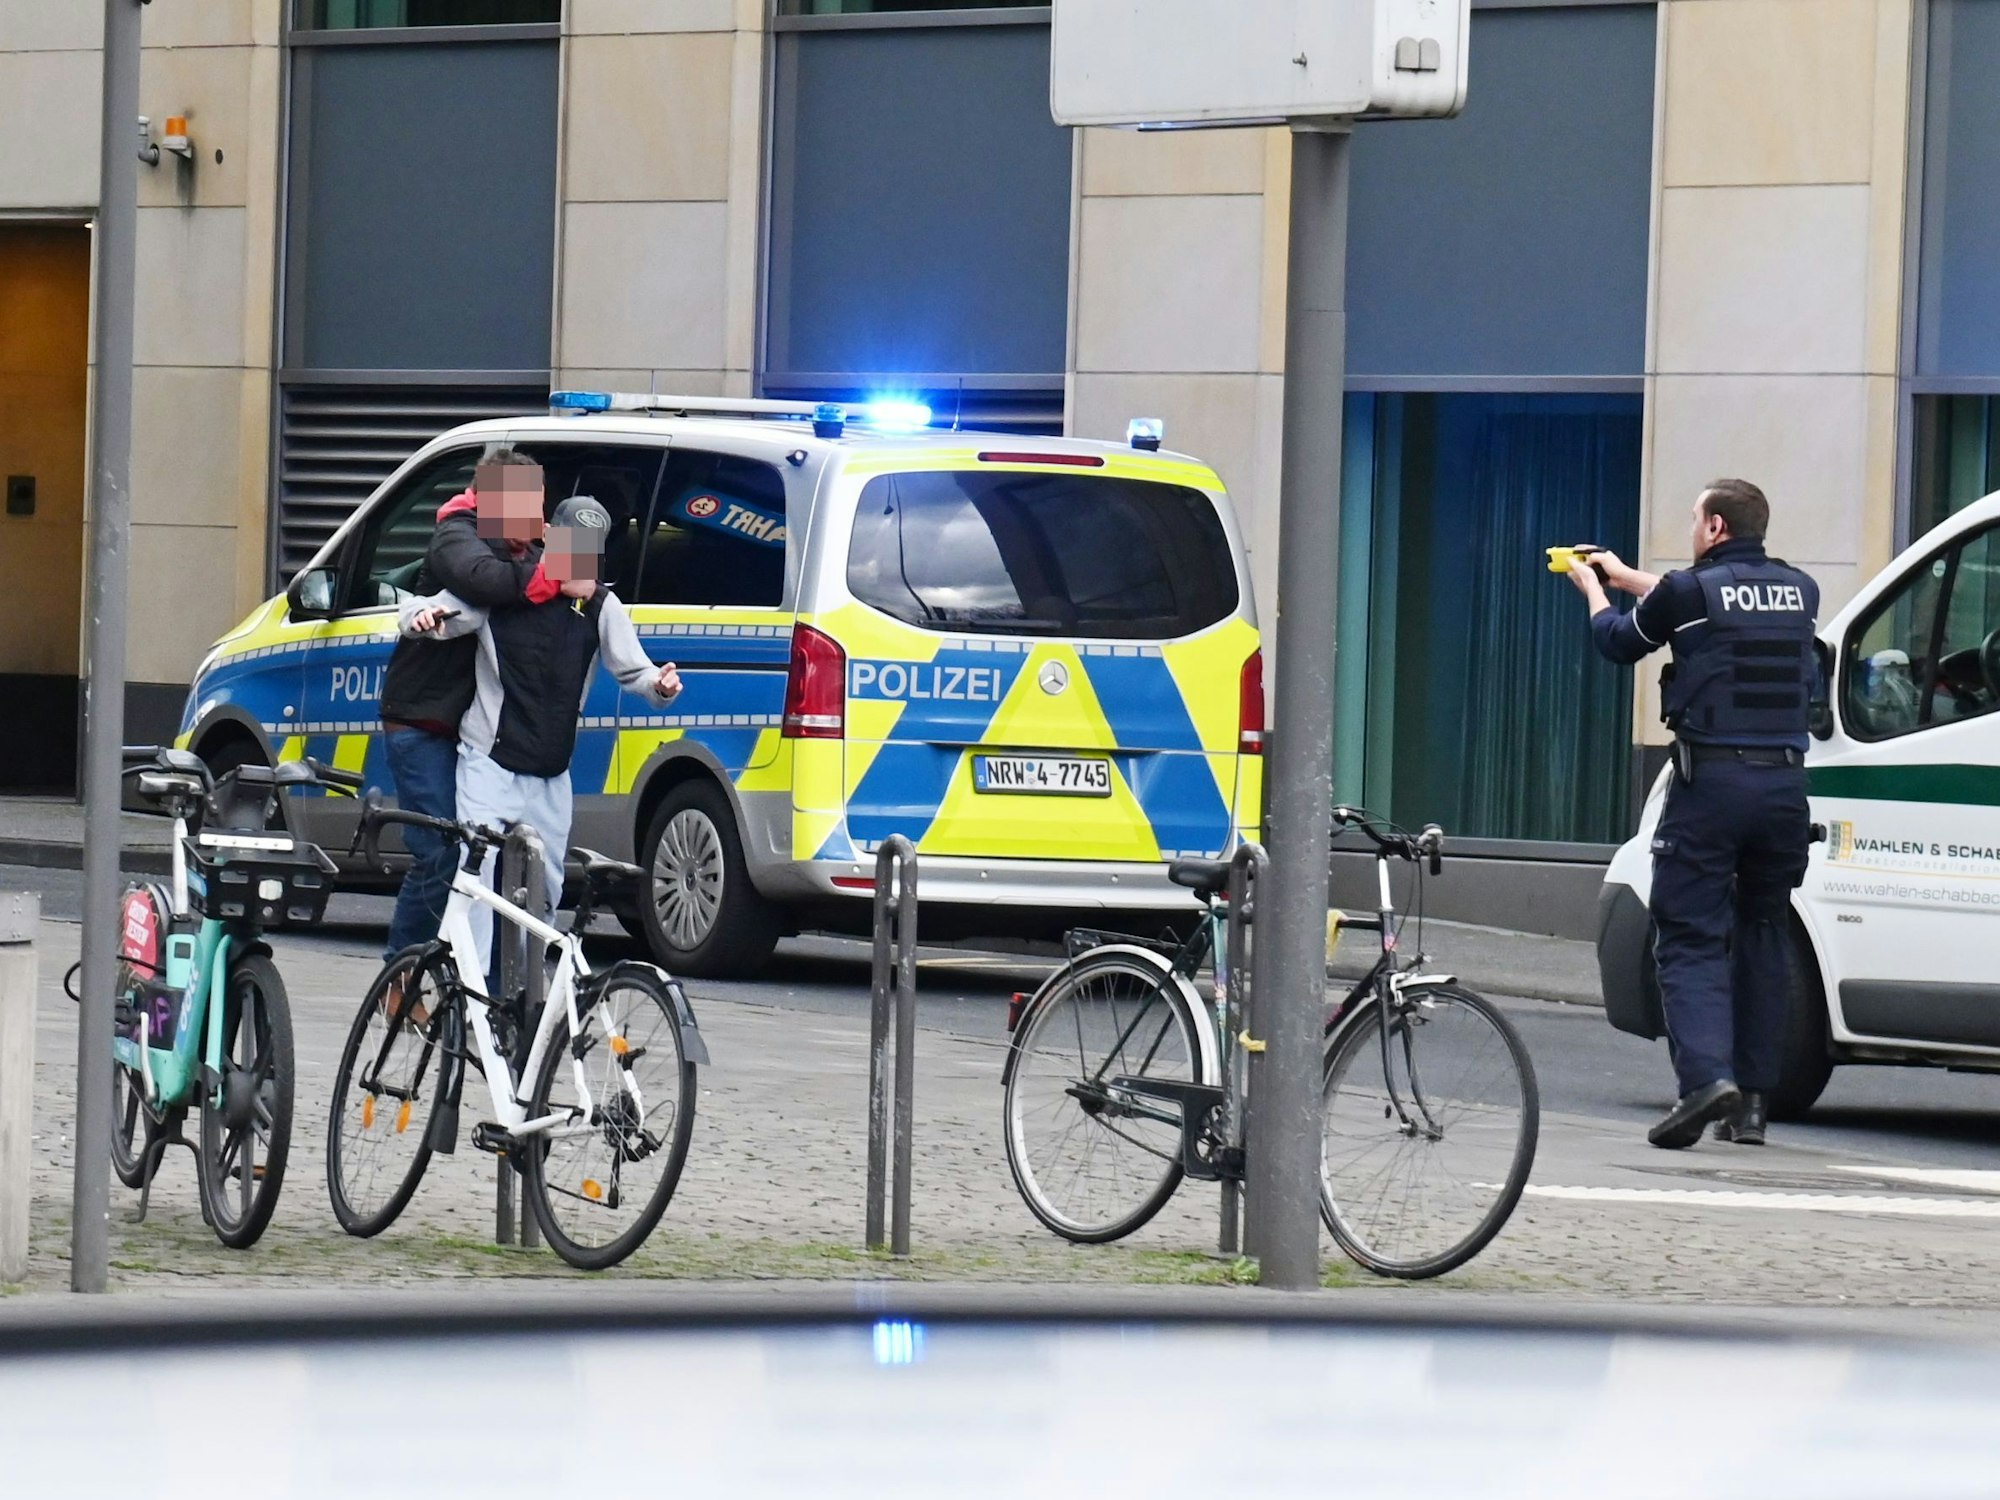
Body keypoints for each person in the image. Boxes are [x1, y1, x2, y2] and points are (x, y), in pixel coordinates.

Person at [1566, 478, 1820, 1149]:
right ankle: (1753, 1105)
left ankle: (1707, 1079)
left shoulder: (1690, 591)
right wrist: (1627, 574)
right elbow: (1706, 606)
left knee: (1686, 934)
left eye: (1693, 517)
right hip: (1784, 793)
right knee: (1763, 932)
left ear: (1713, 528)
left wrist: (1596, 591)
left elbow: (1620, 641)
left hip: (1713, 788)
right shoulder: (1801, 591)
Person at [399, 495, 682, 977]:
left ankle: (525, 1001)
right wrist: (420, 619)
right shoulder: (511, 586)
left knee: (546, 896)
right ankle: (473, 996)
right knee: (479, 881)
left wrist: (660, 685)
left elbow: (633, 669)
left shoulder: (600, 604)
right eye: (573, 544)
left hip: (551, 773)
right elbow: (435, 613)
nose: (581, 560)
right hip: (489, 762)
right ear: (550, 536)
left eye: (590, 550)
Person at [377, 448, 565, 993]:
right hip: (423, 724)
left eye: (538, 504)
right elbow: (486, 583)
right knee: (442, 852)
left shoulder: (524, 548)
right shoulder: (456, 534)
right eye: (522, 505)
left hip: (480, 736)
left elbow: (587, 582)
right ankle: (401, 973)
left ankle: (492, 987)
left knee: (492, 864)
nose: (534, 516)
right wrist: (557, 565)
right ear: (489, 501)